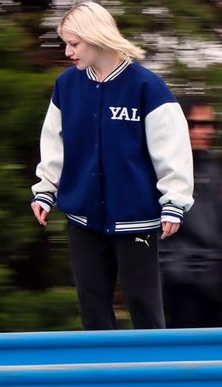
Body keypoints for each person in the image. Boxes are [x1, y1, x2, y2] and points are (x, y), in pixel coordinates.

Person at [30, 1, 193, 330]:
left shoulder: (147, 86)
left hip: (137, 220)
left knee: (145, 310)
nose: (67, 52)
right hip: (82, 220)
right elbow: (53, 144)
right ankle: (100, 366)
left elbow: (172, 148)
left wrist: (174, 202)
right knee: (92, 313)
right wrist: (45, 190)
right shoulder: (66, 86)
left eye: (74, 44)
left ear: (96, 37)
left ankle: (154, 365)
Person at [159, 97, 222, 327]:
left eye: (209, 124)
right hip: (179, 285)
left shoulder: (213, 169)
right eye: (195, 124)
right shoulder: (162, 168)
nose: (205, 131)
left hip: (214, 284)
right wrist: (174, 271)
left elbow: (218, 228)